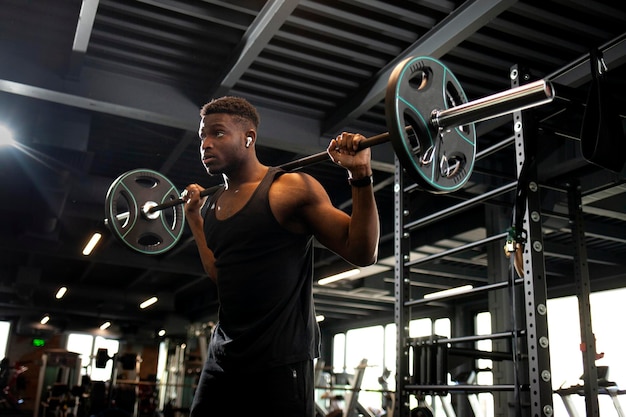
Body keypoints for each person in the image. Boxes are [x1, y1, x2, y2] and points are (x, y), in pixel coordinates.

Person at [182, 96, 380, 417]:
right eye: (202, 136)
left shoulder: (290, 189)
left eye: (217, 133)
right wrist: (194, 218)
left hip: (280, 358)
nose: (205, 144)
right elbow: (220, 274)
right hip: (224, 355)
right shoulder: (213, 204)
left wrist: (360, 174)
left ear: (249, 138)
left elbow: (362, 252)